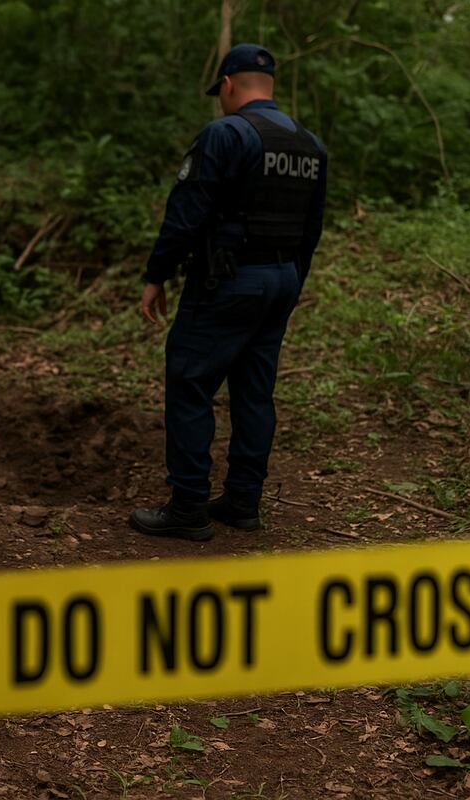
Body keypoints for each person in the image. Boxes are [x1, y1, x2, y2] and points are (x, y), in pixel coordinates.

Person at [129, 43, 327, 542]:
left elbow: (186, 214)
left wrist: (158, 276)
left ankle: (188, 508)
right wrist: (290, 283)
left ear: (229, 85)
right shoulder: (310, 145)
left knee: (191, 382)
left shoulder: (226, 134)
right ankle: (243, 501)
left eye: (220, 91)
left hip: (229, 280)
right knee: (255, 390)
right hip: (281, 279)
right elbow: (312, 230)